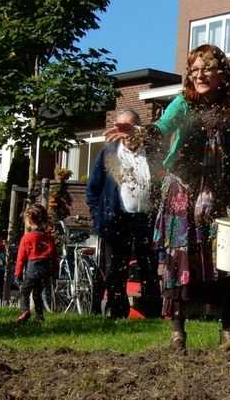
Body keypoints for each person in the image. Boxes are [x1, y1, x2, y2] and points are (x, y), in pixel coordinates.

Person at [105, 44, 230, 352]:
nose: (200, 75)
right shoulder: (183, 103)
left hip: (222, 194)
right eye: (194, 70)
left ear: (222, 72)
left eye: (207, 68)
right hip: (183, 192)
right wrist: (136, 132)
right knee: (180, 261)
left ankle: (228, 331)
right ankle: (178, 331)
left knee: (228, 261)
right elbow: (161, 129)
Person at [87, 108, 161, 319]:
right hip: (116, 218)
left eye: (129, 128)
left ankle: (151, 311)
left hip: (146, 218)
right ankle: (117, 310)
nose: (126, 135)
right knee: (115, 268)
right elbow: (93, 189)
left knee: (148, 265)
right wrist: (97, 214)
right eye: (121, 129)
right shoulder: (109, 153)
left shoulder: (152, 151)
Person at [14, 204, 57, 323]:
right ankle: (39, 317)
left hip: (32, 268)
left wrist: (17, 274)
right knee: (38, 293)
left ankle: (25, 311)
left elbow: (21, 258)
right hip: (46, 269)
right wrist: (55, 272)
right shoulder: (49, 238)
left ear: (30, 220)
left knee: (25, 291)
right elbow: (54, 257)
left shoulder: (27, 238)